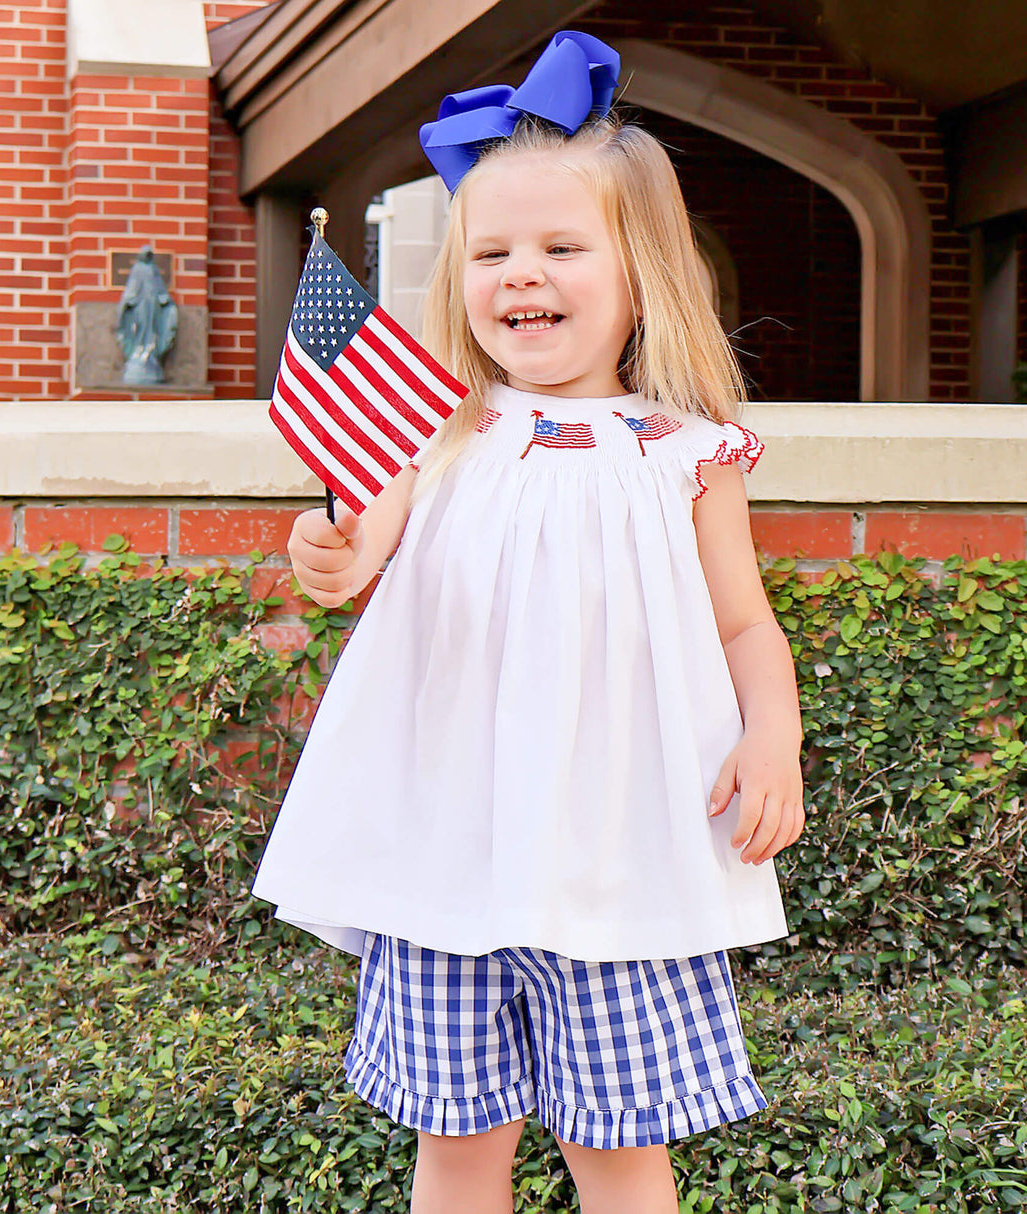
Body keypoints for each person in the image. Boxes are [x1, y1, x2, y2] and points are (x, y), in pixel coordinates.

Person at [252, 30, 806, 1214]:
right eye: (490, 251)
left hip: (618, 854)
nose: (519, 274)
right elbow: (354, 555)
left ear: (641, 269)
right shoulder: (432, 430)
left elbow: (746, 629)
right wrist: (324, 550)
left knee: (618, 1150)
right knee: (457, 1145)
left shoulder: (687, 455)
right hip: (448, 851)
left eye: (560, 247)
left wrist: (772, 739)